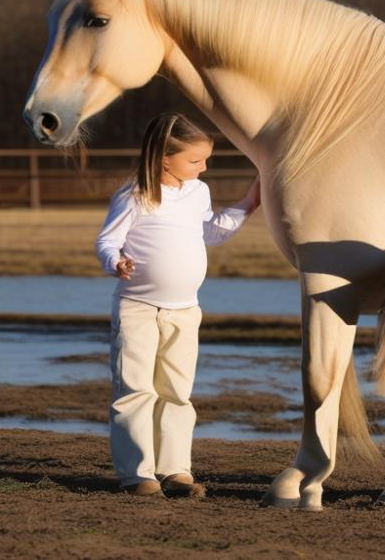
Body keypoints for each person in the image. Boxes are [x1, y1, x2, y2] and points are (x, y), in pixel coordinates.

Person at [95, 113, 260, 497]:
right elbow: (106, 241)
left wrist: (249, 202)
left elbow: (212, 232)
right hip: (137, 307)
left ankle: (175, 470)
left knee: (176, 391)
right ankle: (138, 475)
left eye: (205, 160)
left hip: (185, 310)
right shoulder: (135, 194)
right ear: (163, 158)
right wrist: (115, 261)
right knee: (135, 390)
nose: (203, 168)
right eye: (195, 161)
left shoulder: (197, 192)